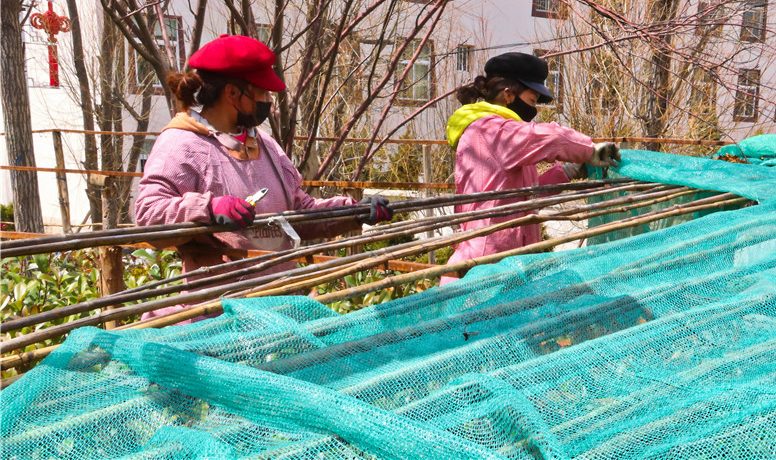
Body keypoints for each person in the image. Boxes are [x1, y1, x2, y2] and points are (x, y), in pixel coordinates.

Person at [134, 34, 392, 292]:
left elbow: (298, 212)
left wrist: (352, 211)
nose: (268, 102)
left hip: (281, 298)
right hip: (217, 309)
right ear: (233, 93)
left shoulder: (265, 144)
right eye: (263, 92)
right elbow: (148, 216)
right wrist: (208, 209)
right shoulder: (182, 144)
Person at [441, 52, 620, 284]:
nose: (534, 110)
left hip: (507, 264)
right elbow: (552, 138)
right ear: (508, 95)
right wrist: (590, 150)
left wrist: (568, 172)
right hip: (486, 268)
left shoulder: (503, 136)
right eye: (532, 100)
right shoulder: (491, 131)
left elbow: (526, 198)